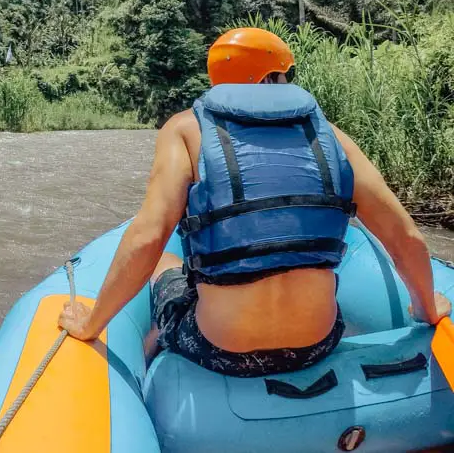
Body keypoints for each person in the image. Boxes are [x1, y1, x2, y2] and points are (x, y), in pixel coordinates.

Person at [58, 27, 451, 378]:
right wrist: (426, 310)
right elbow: (405, 236)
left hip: (221, 351)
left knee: (166, 265)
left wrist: (91, 323)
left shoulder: (185, 130)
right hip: (317, 344)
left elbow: (148, 237)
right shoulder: (330, 136)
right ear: (271, 76)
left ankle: (146, 372)